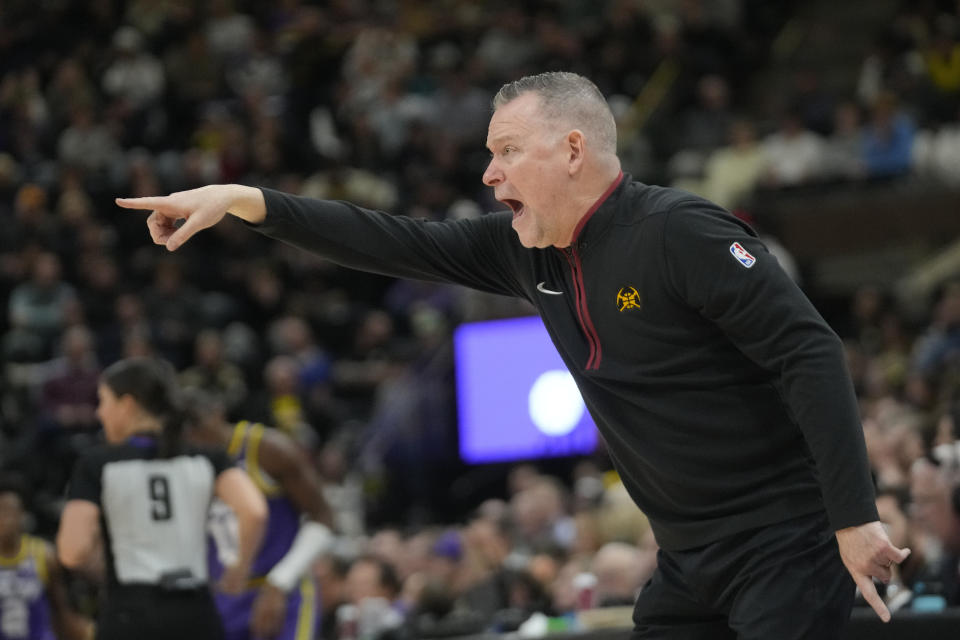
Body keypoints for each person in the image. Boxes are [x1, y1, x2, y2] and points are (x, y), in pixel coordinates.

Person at [117, 71, 908, 639]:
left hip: (784, 541)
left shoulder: (682, 232)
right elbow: (392, 238)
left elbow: (809, 350)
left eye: (506, 151)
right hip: (689, 556)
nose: (489, 173)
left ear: (571, 149)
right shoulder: (522, 252)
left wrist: (852, 517)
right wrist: (244, 202)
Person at [56, 357, 267, 640]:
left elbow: (73, 550)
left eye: (104, 401)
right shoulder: (208, 458)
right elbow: (254, 511)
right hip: (195, 613)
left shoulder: (98, 464)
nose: (100, 413)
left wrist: (104, 565)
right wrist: (238, 572)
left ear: (127, 404)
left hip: (130, 613)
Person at [180, 389, 335, 640]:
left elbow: (324, 518)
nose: (193, 436)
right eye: (184, 430)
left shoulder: (268, 449)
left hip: (281, 588)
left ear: (218, 413)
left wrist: (280, 582)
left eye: (197, 425)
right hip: (225, 595)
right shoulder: (182, 462)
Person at [0, 477, 91, 640]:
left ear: (22, 514)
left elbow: (61, 609)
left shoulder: (43, 553)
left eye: (10, 511)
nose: (6, 518)